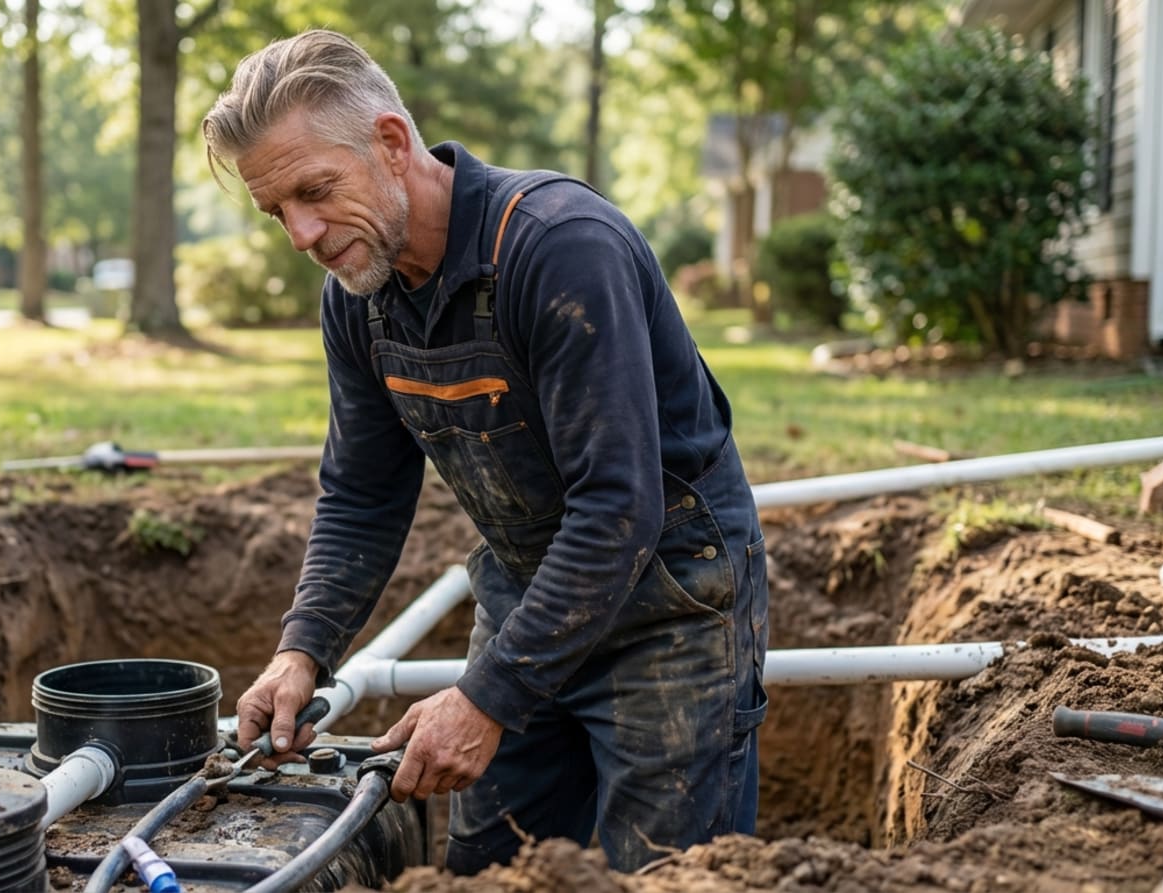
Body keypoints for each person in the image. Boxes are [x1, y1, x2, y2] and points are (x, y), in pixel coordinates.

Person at [201, 29, 769, 875]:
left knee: (665, 872)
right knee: (487, 867)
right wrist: (303, 648)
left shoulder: (558, 247)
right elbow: (361, 492)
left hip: (673, 607)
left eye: (314, 190)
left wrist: (486, 698)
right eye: (275, 209)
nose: (301, 233)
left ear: (392, 144)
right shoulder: (357, 298)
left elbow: (618, 506)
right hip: (528, 593)